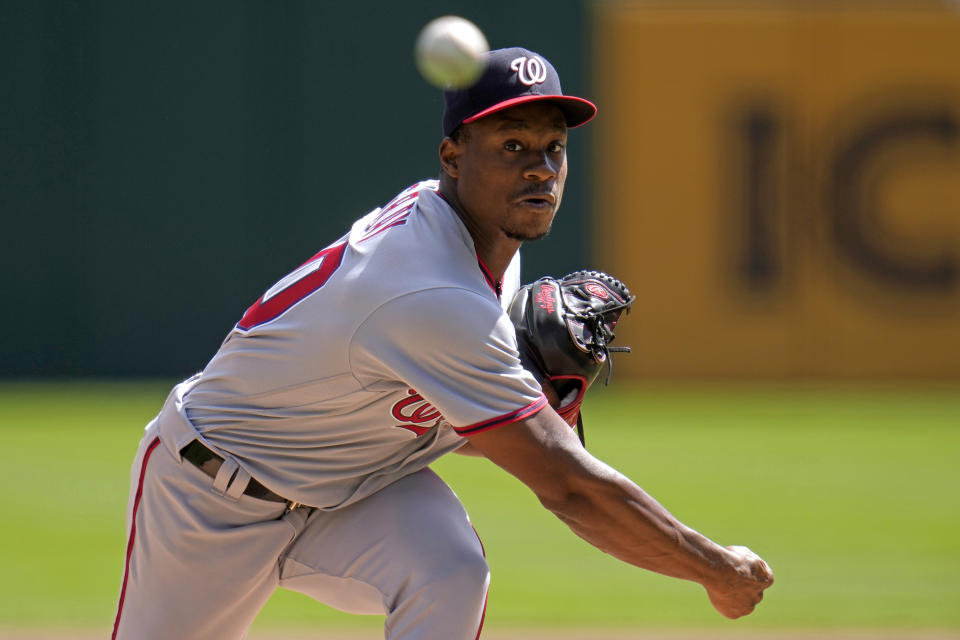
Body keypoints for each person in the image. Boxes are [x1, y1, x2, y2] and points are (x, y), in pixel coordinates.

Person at [111, 46, 773, 640]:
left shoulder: (486, 244)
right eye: (512, 146)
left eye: (553, 148)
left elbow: (479, 428)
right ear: (453, 156)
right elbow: (567, 488)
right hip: (213, 493)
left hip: (355, 487)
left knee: (449, 571)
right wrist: (715, 568)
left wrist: (528, 396)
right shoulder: (431, 294)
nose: (539, 169)